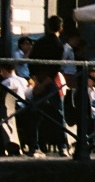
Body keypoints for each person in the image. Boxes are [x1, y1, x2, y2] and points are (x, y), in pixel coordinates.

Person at [27, 16, 69, 154]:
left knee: (35, 113)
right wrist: (45, 83)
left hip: (38, 79)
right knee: (58, 114)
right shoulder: (59, 45)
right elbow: (55, 69)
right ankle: (63, 146)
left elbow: (31, 61)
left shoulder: (39, 42)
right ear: (61, 29)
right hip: (50, 82)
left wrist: (37, 82)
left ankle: (34, 146)